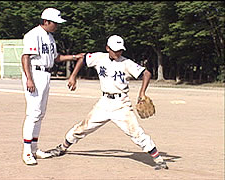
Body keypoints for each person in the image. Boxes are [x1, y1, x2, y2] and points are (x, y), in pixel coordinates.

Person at [48, 35, 168, 170]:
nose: (118, 53)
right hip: (104, 103)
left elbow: (146, 73)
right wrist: (73, 76)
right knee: (83, 127)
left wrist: (141, 93)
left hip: (121, 104)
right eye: (115, 50)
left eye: (120, 50)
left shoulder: (126, 63)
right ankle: (62, 148)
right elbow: (82, 58)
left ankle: (159, 160)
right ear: (107, 48)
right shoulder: (99, 58)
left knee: (136, 132)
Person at [21, 7, 84, 166]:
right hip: (35, 73)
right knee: (33, 113)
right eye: (54, 23)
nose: (56, 26)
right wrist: (29, 79)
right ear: (46, 21)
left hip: (46, 74)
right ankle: (27, 150)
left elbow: (56, 58)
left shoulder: (49, 37)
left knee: (40, 113)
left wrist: (75, 57)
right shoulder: (33, 34)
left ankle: (34, 148)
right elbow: (25, 57)